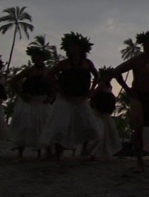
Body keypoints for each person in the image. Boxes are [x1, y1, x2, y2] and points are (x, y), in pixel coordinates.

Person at [113, 30, 149, 172]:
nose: (148, 47)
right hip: (138, 96)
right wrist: (127, 89)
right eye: (146, 44)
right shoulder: (137, 59)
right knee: (138, 128)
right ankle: (139, 162)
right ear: (143, 45)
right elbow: (116, 71)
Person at [40, 32, 102, 165]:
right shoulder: (64, 64)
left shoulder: (87, 63)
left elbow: (97, 77)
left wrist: (90, 91)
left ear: (82, 48)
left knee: (88, 127)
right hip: (65, 99)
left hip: (80, 99)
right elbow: (48, 76)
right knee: (60, 127)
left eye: (76, 46)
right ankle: (58, 156)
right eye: (71, 46)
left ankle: (84, 151)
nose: (74, 49)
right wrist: (58, 89)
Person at [8, 46, 53, 160]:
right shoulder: (29, 70)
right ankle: (20, 153)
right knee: (25, 126)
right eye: (33, 57)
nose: (35, 59)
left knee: (45, 126)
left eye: (37, 57)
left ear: (42, 58)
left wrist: (52, 96)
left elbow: (56, 85)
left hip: (42, 101)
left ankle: (46, 151)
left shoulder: (48, 71)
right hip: (28, 101)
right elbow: (13, 81)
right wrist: (21, 94)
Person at [83, 67, 122, 160]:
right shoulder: (101, 85)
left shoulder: (109, 87)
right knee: (100, 133)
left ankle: (99, 153)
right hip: (98, 112)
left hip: (105, 113)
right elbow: (92, 95)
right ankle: (93, 153)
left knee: (108, 133)